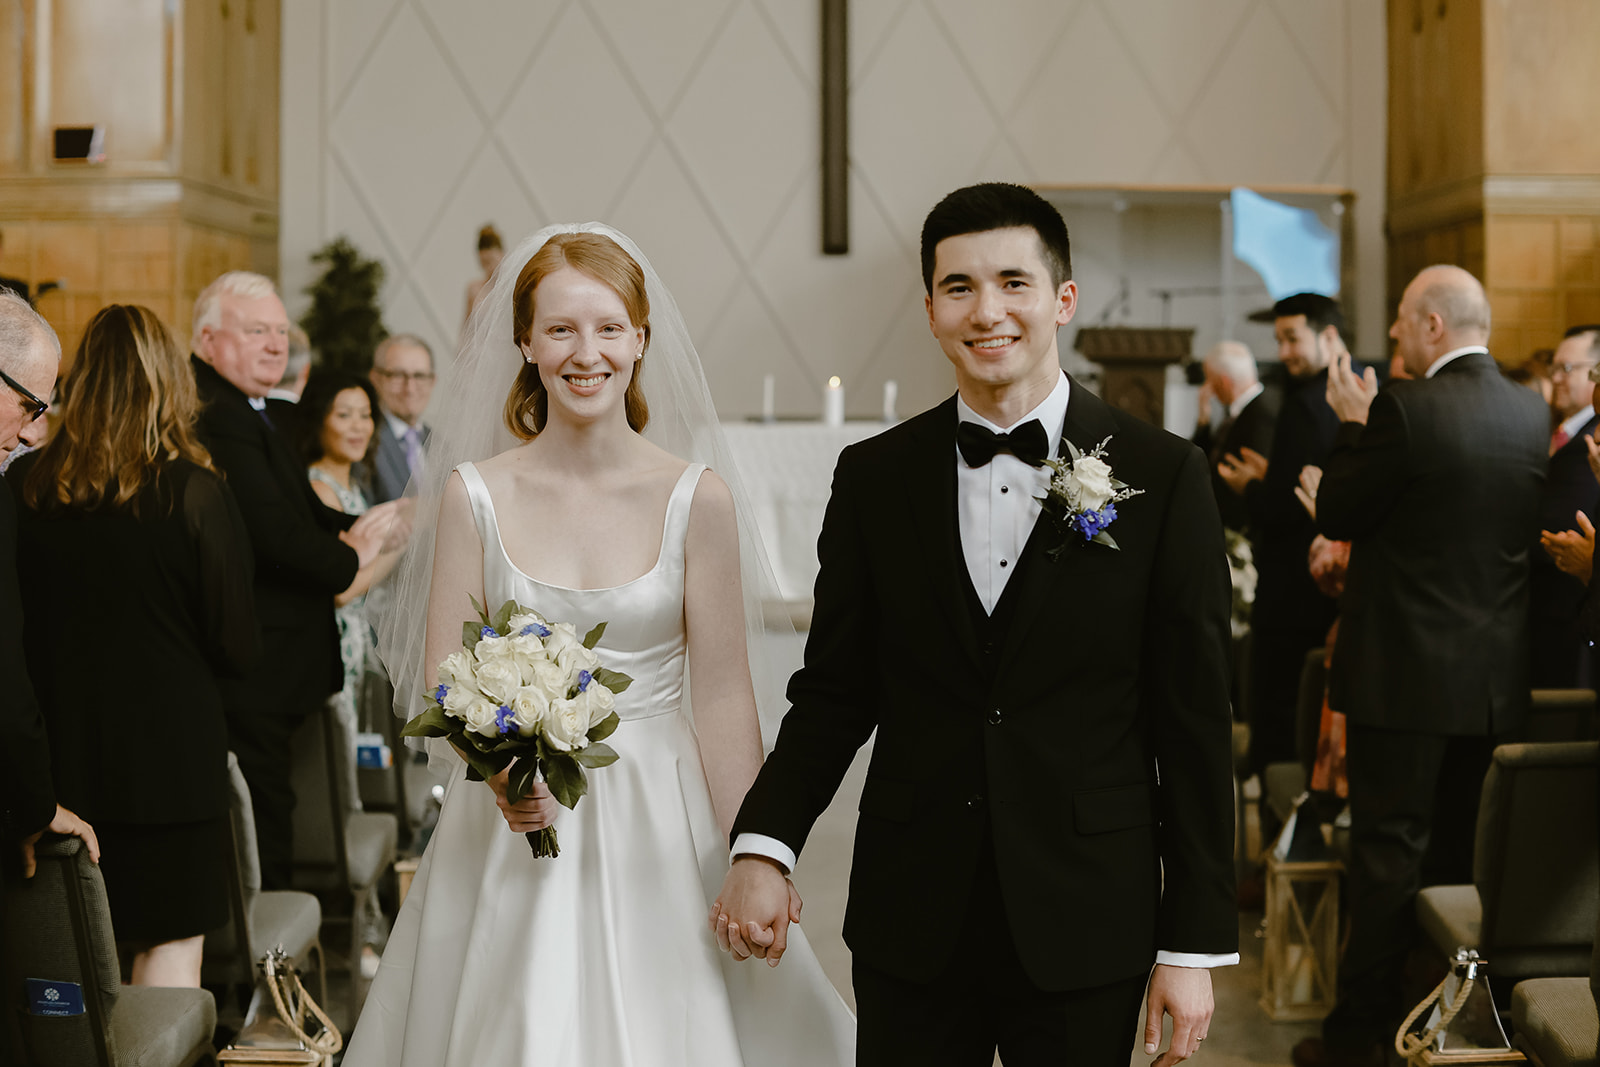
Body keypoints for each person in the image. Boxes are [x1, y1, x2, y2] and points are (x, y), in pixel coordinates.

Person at [713, 183, 1237, 1066]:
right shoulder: (875, 477)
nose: (986, 310)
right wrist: (766, 842)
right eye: (958, 287)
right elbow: (836, 691)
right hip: (912, 912)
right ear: (929, 310)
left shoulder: (1164, 475)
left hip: (1087, 915)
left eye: (1012, 282)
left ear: (1062, 299)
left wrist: (1190, 944)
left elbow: (1193, 725)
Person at [344, 224, 853, 1066]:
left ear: (641, 340)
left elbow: (724, 697)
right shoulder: (476, 494)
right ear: (525, 344)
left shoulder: (699, 499)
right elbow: (443, 681)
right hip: (510, 821)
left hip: (663, 815)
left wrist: (756, 851)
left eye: (609, 327)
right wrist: (501, 772)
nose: (587, 352)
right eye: (561, 329)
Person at [1294, 265, 1548, 1067]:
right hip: (1491, 682)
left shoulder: (1404, 407)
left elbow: (1338, 508)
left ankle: (1356, 1039)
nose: (1396, 336)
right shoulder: (1530, 409)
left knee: (1385, 857)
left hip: (1403, 677)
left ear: (1433, 325)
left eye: (1403, 322)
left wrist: (1349, 425)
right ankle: (1433, 1028)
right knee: (1453, 862)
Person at [10, 304, 257, 987]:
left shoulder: (24, 487)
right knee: (171, 946)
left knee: (73, 966)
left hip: (59, 762)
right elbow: (237, 645)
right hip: (173, 767)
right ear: (171, 383)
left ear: (78, 382)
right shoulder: (195, 493)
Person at [190, 271, 400, 889]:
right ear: (208, 339)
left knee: (274, 806)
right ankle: (268, 972)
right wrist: (351, 559)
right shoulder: (221, 415)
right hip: (255, 659)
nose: (276, 345)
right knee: (264, 820)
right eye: (257, 331)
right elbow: (273, 536)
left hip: (275, 660)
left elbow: (301, 512)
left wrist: (361, 525)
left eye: (281, 332)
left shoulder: (252, 410)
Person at [1219, 293, 1347, 779]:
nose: (1285, 351)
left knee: (1281, 719)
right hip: (1321, 592)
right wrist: (1271, 476)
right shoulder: (1338, 394)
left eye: (1293, 338)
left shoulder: (1307, 405)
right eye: (1279, 340)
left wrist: (1251, 486)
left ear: (1328, 336)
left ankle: (1277, 840)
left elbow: (1291, 506)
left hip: (1294, 591)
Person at [296, 369, 403, 810]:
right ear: (320, 420)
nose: (358, 426)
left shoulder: (352, 485)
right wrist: (401, 543)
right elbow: (339, 590)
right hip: (334, 640)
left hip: (358, 643)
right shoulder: (320, 488)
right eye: (345, 415)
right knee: (337, 761)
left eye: (365, 415)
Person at [1533, 325, 1600, 686]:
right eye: (1553, 369)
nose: (1556, 378)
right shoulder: (1559, 430)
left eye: (1567, 369)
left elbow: (1557, 524)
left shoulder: (1591, 437)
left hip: (1567, 608)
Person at [1193, 339, 1279, 532]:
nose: (1208, 388)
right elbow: (1204, 458)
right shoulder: (1241, 410)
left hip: (1243, 525)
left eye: (1209, 380)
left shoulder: (1262, 412)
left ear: (1223, 382)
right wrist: (1203, 420)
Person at [368, 333, 435, 503]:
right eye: (397, 375)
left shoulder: (440, 443)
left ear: (432, 381)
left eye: (419, 376)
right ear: (375, 379)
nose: (410, 389)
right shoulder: (364, 442)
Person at [463, 223, 504, 324]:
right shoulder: (474, 289)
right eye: (484, 263)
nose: (489, 268)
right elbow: (466, 327)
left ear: (502, 255)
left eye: (491, 261)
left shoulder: (511, 287)